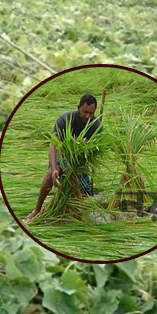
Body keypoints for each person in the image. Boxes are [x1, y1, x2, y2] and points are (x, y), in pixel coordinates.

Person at [24, 94, 102, 222]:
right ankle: (37, 210)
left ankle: (73, 212)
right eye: (85, 112)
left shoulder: (95, 125)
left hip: (80, 160)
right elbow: (53, 145)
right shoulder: (65, 119)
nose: (87, 116)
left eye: (91, 113)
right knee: (51, 175)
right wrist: (55, 168)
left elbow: (100, 146)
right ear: (78, 108)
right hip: (62, 154)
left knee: (83, 190)